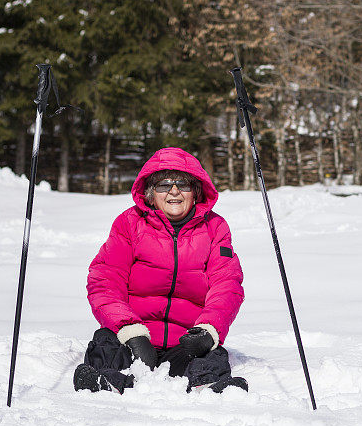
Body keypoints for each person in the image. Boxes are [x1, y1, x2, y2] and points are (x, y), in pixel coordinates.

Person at [73, 147, 246, 394]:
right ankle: (107, 382)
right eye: (164, 184)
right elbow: (105, 279)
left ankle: (205, 386)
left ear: (196, 192)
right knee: (106, 342)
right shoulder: (129, 223)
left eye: (183, 184)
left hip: (185, 344)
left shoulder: (215, 228)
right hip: (133, 341)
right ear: (151, 193)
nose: (174, 191)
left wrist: (208, 331)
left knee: (212, 355)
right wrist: (130, 331)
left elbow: (227, 285)